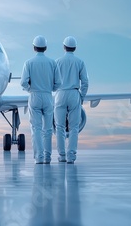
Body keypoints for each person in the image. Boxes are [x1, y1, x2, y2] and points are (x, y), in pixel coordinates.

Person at [21, 36, 62, 164]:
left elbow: (23, 82)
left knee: (36, 129)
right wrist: (51, 88)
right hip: (48, 95)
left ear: (34, 47)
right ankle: (48, 157)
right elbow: (59, 83)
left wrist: (29, 89)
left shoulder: (28, 63)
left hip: (34, 96)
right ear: (45, 48)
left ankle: (39, 157)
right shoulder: (52, 63)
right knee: (48, 129)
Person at [54, 36, 89, 164]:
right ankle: (71, 157)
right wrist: (81, 97)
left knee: (59, 127)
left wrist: (56, 91)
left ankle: (62, 155)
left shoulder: (57, 61)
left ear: (64, 47)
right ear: (75, 48)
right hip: (74, 93)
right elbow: (85, 82)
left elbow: (53, 80)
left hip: (60, 93)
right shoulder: (80, 62)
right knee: (74, 127)